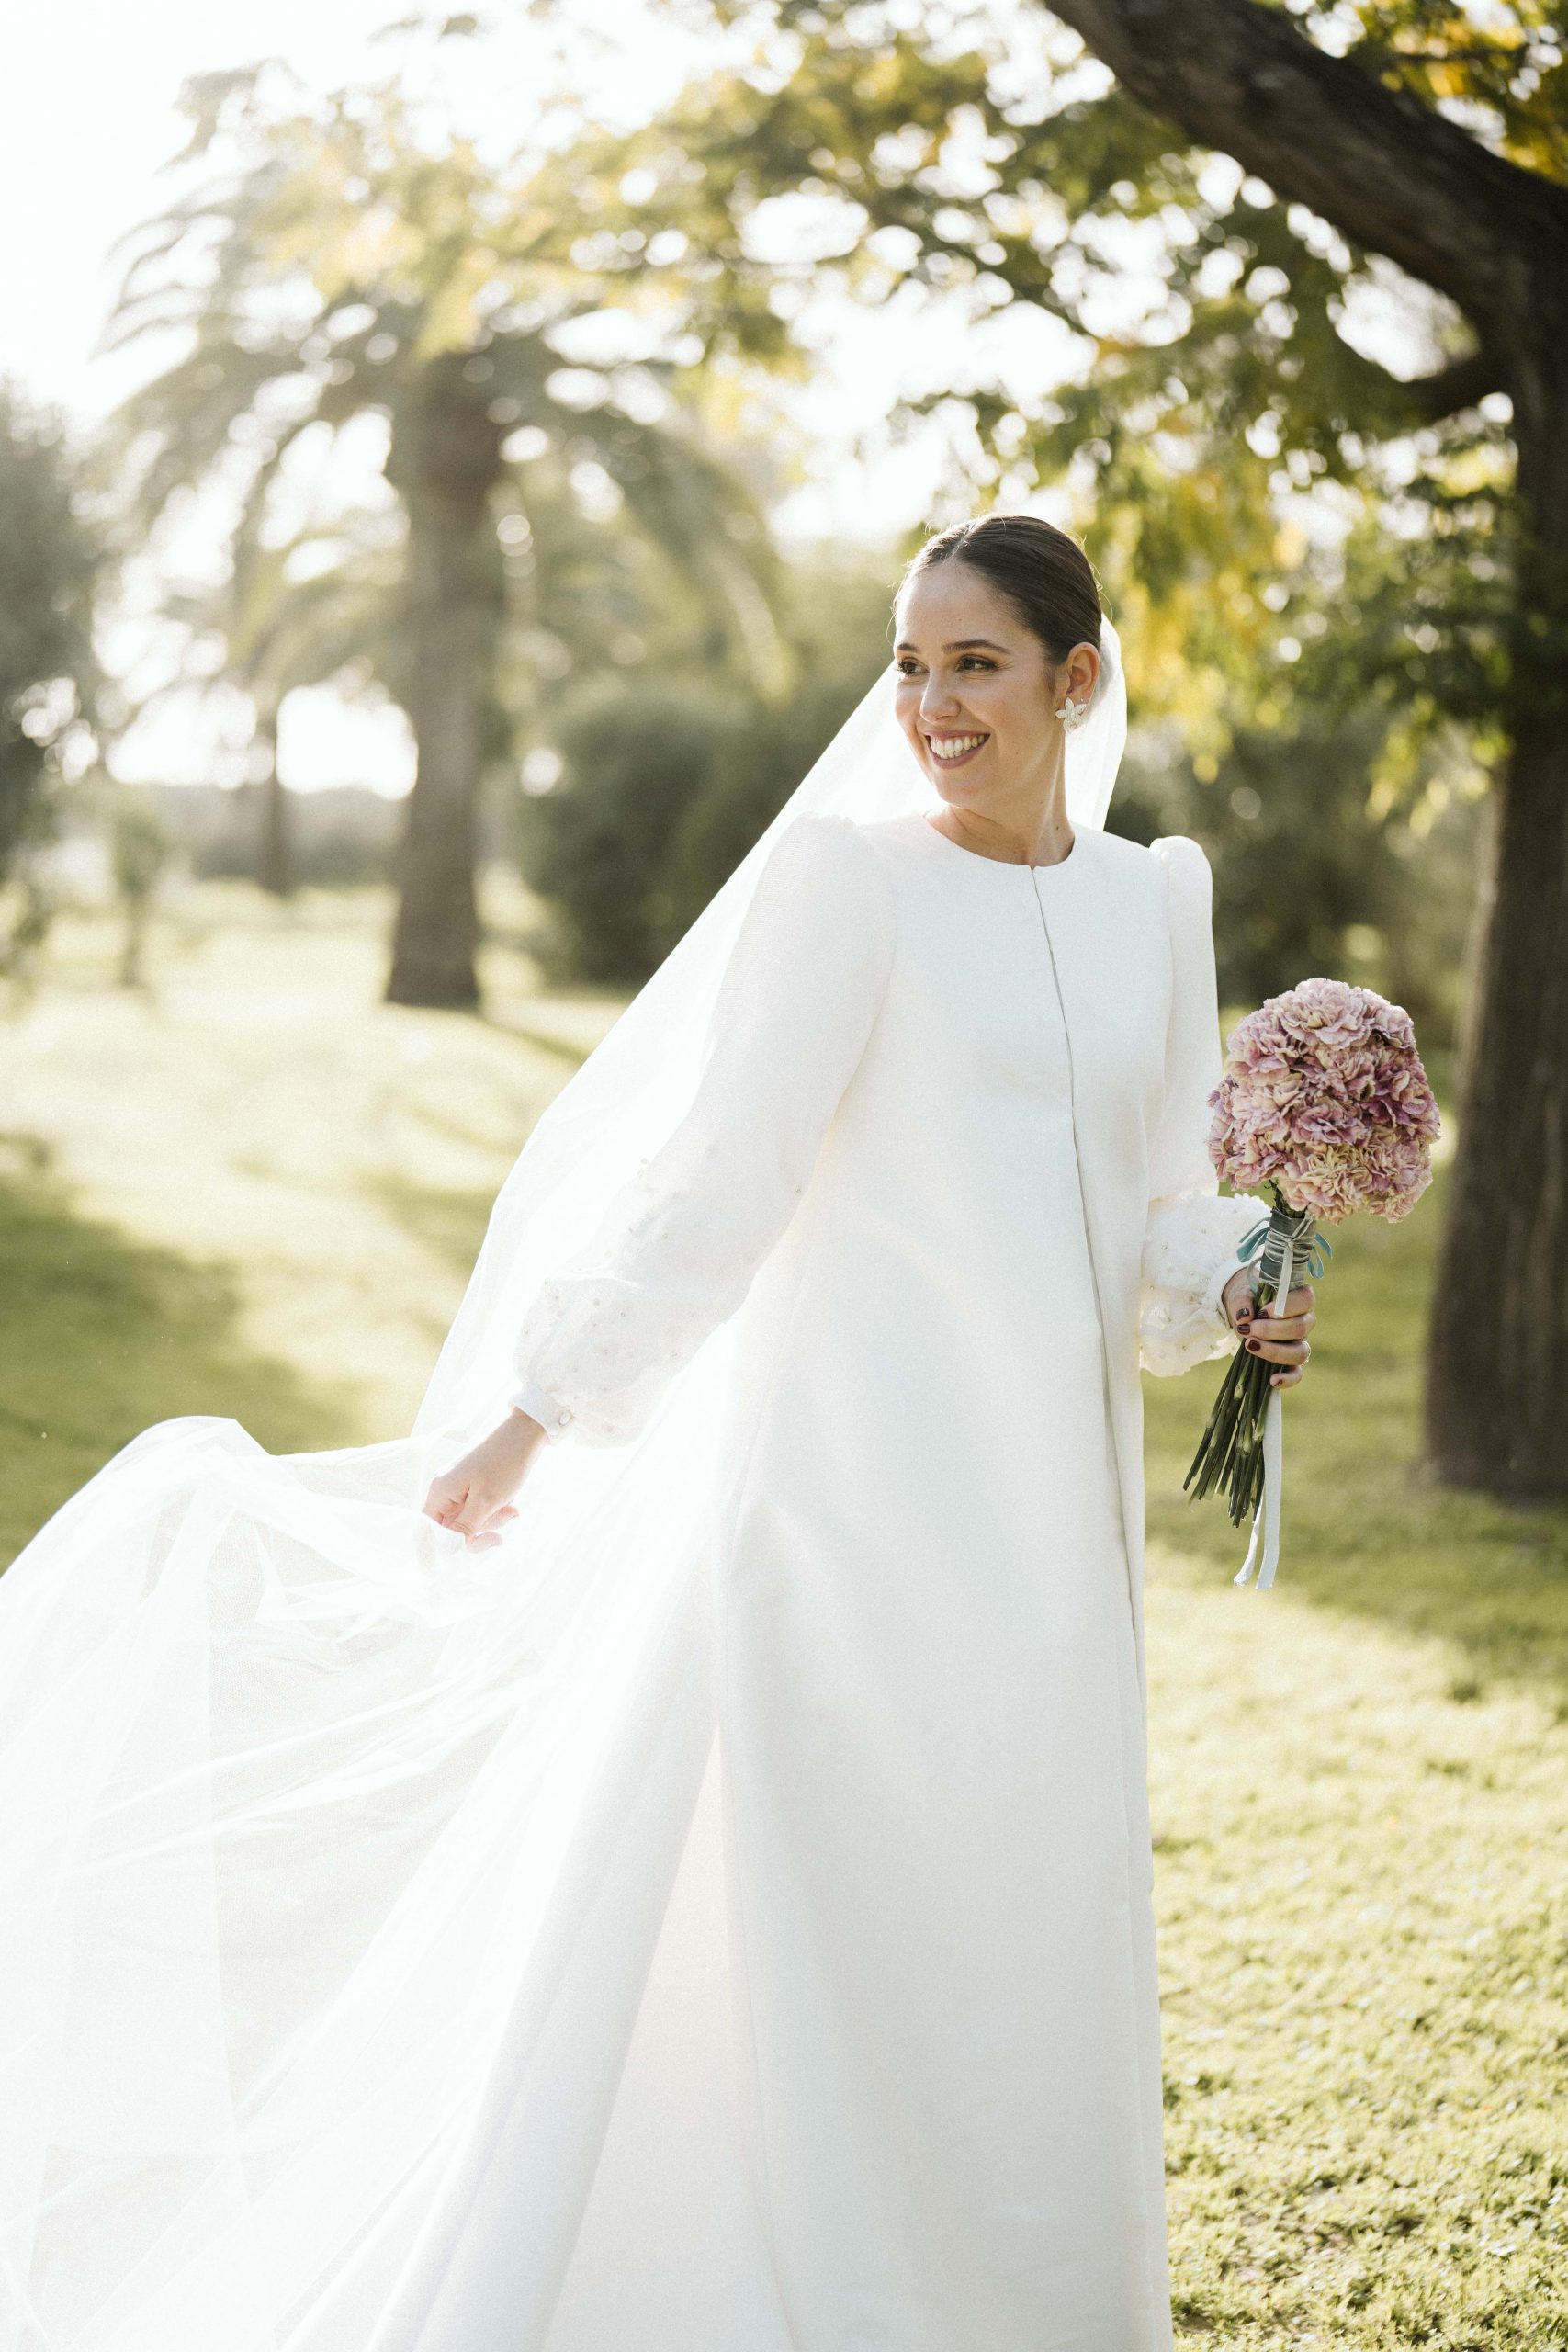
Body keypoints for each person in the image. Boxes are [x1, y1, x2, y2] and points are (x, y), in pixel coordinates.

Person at [0, 514, 1314, 2352]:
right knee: (832, 1935)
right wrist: (532, 1420)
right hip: (835, 1515)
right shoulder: (848, 887)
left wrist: (1251, 1273)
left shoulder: (1148, 903)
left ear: (1073, 676)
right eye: (910, 664)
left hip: (1049, 1545)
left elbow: (1157, 1222)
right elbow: (722, 1182)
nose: (931, 703)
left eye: (976, 664)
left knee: (1018, 1931)